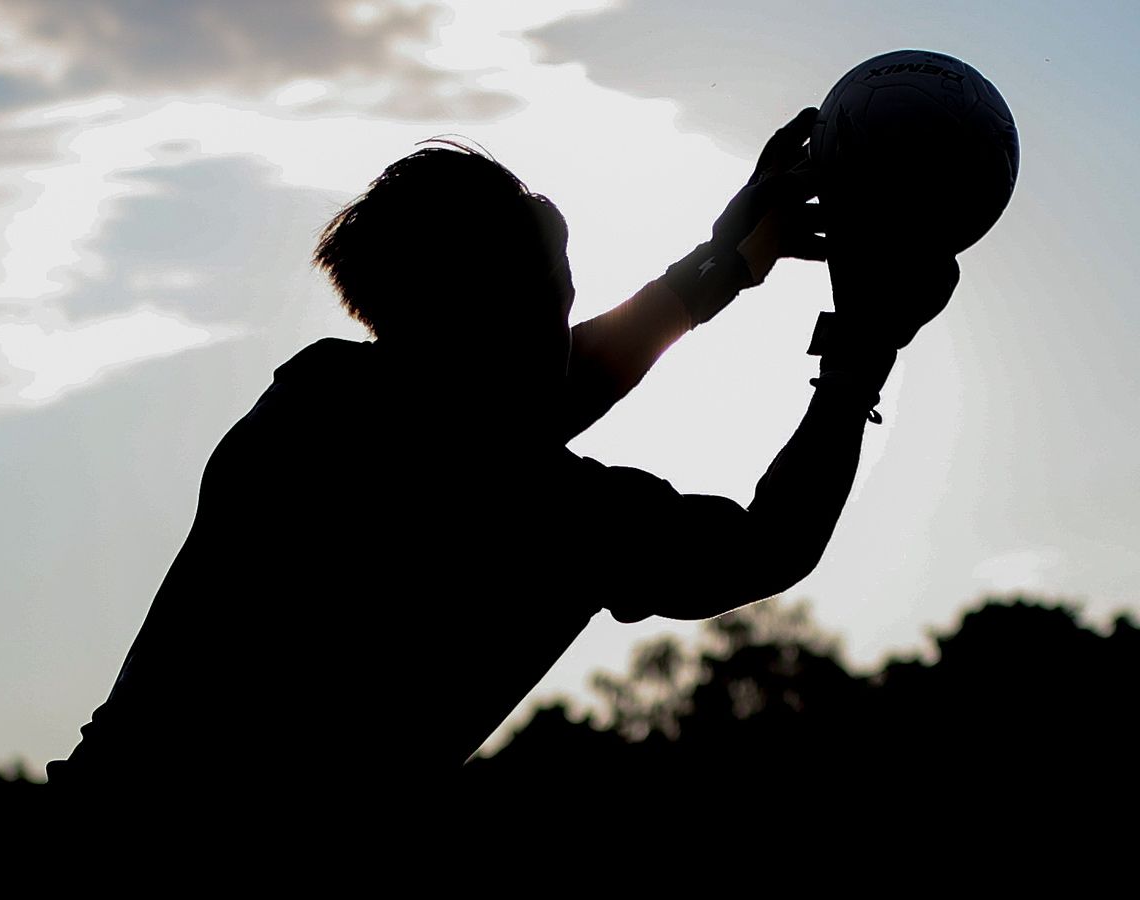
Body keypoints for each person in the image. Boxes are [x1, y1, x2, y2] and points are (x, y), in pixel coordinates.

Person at [47, 108, 960, 808]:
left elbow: (521, 405)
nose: (567, 327)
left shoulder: (318, 402)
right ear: (507, 317)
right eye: (558, 303)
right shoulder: (549, 510)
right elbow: (769, 545)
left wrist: (726, 264)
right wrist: (860, 357)